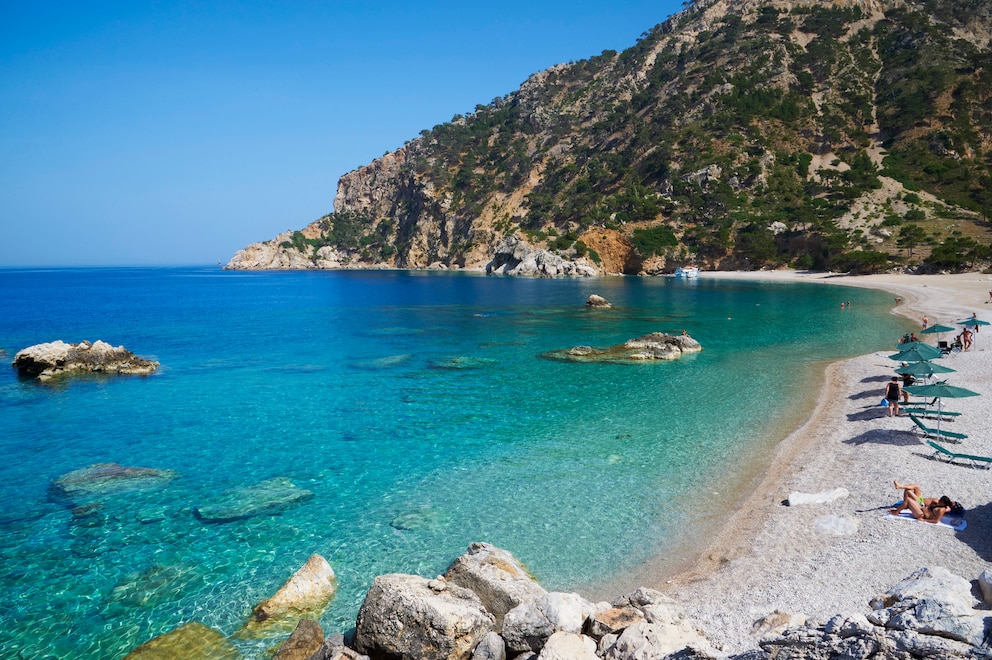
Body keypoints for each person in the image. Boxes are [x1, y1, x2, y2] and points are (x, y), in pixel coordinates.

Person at [890, 481, 963, 524]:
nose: (954, 502)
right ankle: (900, 489)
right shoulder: (942, 505)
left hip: (922, 514)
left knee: (908, 496)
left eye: (955, 504)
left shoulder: (944, 509)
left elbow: (936, 520)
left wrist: (924, 520)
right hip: (921, 507)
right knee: (915, 487)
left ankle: (898, 511)